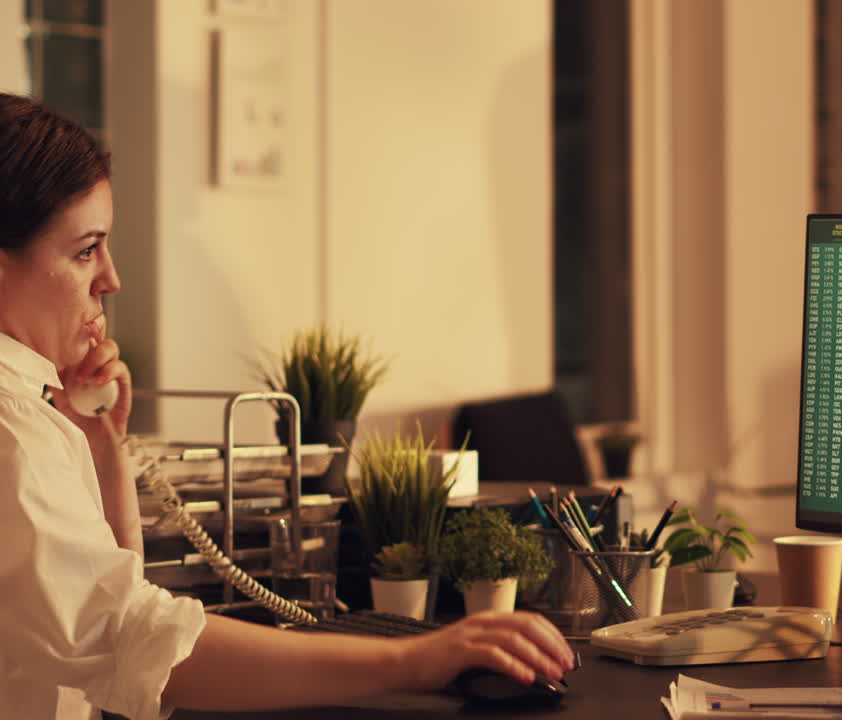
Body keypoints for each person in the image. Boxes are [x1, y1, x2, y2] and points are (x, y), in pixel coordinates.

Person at [0, 93, 576, 719]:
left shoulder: (34, 410)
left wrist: (102, 446)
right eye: (86, 250)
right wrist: (418, 660)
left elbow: (104, 620)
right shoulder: (13, 429)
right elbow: (135, 642)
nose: (110, 278)